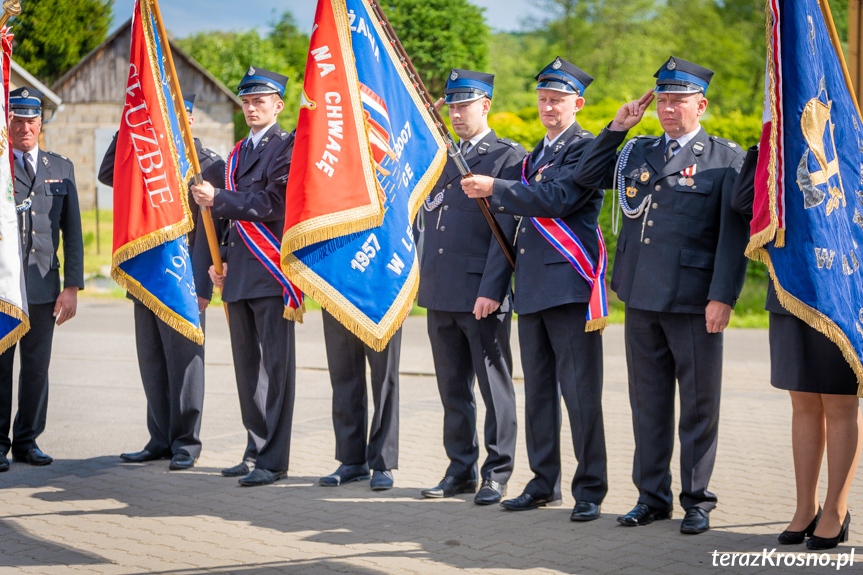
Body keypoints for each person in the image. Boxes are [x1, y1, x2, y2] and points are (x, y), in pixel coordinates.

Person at [572, 57, 748, 534]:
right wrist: (615, 128)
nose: (669, 108)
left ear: (701, 104)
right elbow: (586, 177)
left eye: (679, 100)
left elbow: (733, 237)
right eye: (663, 100)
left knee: (696, 406)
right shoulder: (638, 150)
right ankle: (652, 497)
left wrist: (723, 296)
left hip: (694, 300)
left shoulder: (725, 158)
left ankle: (697, 500)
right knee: (647, 403)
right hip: (641, 296)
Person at [461, 57, 608, 521]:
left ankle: (590, 489)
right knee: (539, 392)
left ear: (577, 103)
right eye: (543, 99)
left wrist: (496, 186)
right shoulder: (533, 158)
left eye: (558, 100)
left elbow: (556, 199)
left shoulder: (585, 149)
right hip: (534, 290)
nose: (548, 107)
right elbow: (517, 231)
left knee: (580, 393)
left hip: (568, 286)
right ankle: (544, 482)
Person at [731, 145, 862, 550]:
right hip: (790, 288)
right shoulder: (781, 148)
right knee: (803, 402)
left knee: (839, 403)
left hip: (842, 291)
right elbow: (742, 205)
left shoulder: (854, 143)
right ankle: (806, 506)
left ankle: (836, 510)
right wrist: (767, 145)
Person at [417, 68, 523, 505]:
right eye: (452, 105)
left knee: (493, 388)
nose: (457, 113)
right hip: (440, 291)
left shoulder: (508, 157)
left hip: (480, 294)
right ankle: (459, 468)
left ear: (486, 105)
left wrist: (492, 289)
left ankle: (496, 473)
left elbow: (509, 231)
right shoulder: (440, 155)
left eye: (465, 104)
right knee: (452, 389)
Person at [98, 93, 220, 471]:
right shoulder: (145, 161)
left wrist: (205, 286)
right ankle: (160, 438)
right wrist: (132, 124)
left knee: (185, 363)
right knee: (151, 360)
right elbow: (106, 172)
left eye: (177, 116)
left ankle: (186, 442)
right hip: (148, 276)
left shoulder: (208, 164)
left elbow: (218, 229)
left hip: (185, 281)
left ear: (190, 119)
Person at [191, 66, 296, 487]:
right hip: (239, 272)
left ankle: (274, 460)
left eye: (260, 101)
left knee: (276, 368)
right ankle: (254, 448)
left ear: (278, 105)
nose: (251, 108)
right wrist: (223, 260)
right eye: (247, 101)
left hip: (271, 273)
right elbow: (231, 222)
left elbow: (275, 203)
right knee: (247, 370)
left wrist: (220, 197)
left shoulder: (286, 147)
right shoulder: (236, 154)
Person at [0, 87, 83, 471]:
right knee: (1, 368)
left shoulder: (60, 168)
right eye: (16, 119)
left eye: (31, 119)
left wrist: (71, 287)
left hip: (44, 286)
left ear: (40, 123)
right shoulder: (0, 165)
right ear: (8, 122)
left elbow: (73, 232)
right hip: (4, 287)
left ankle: (27, 441)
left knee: (36, 368)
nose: (24, 127)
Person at [318, 312, 401, 491]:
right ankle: (351, 461)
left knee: (383, 380)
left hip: (382, 293)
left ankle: (383, 463)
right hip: (338, 290)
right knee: (343, 377)